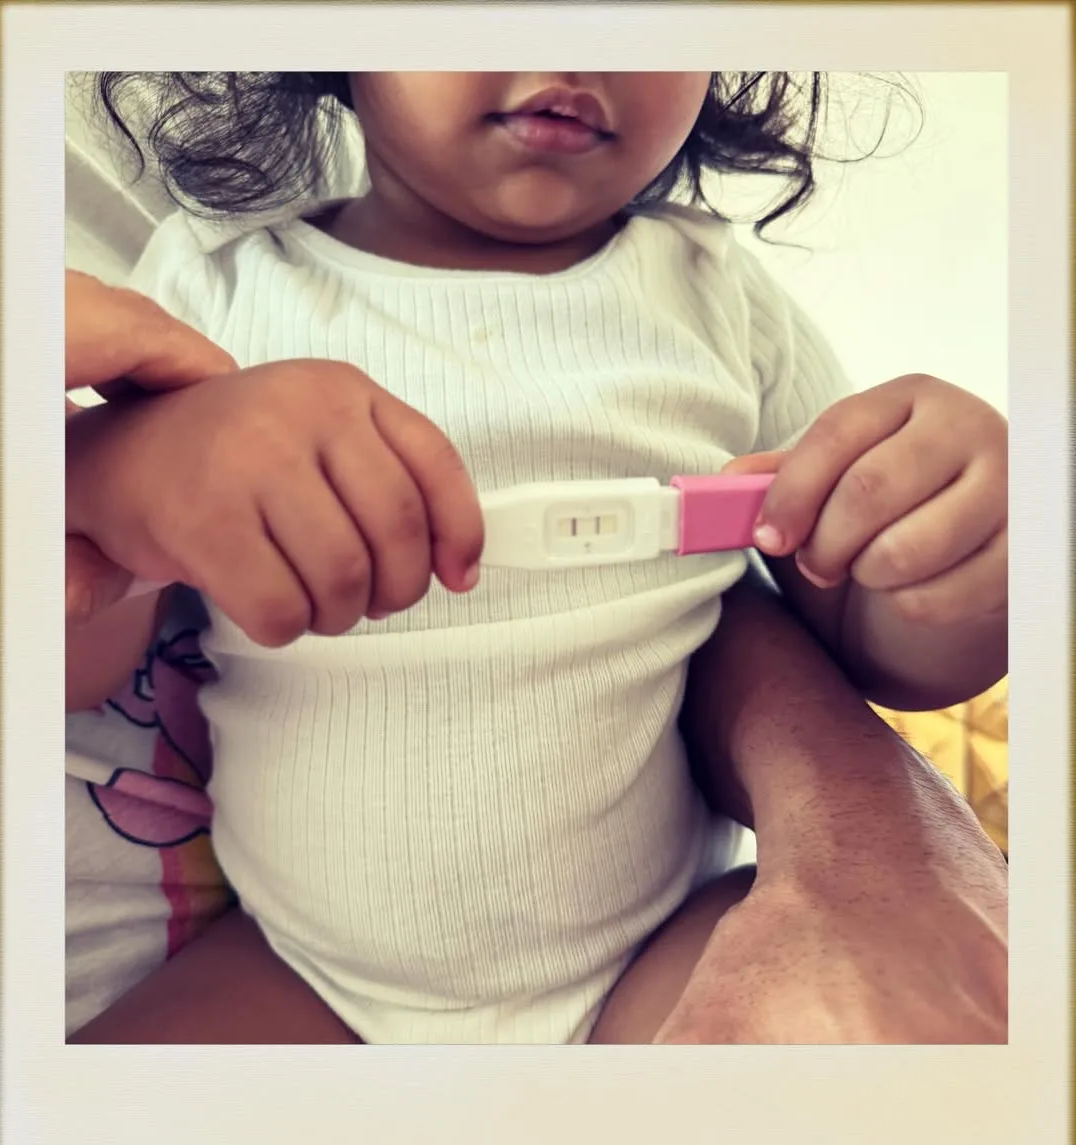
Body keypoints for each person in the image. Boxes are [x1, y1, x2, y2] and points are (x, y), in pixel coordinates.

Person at [67, 72, 1008, 1043]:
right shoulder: (211, 283)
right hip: (300, 972)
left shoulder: (721, 297)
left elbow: (860, 642)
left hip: (660, 958)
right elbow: (77, 668)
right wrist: (124, 486)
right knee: (75, 1129)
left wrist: (958, 569)